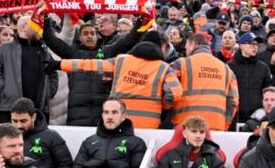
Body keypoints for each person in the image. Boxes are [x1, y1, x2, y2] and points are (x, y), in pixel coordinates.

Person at [54, 31, 183, 129]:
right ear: (162, 48)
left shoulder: (121, 60)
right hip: (149, 124)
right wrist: (164, 105)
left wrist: (60, 64)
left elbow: (90, 64)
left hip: (118, 120)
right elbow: (175, 93)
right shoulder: (164, 68)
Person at [42, 17, 143, 126]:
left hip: (104, 113)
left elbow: (129, 41)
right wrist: (46, 19)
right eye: (85, 34)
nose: (89, 36)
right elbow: (51, 40)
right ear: (80, 38)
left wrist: (141, 22)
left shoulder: (107, 52)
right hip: (77, 113)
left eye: (92, 33)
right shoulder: (72, 54)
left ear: (97, 36)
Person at [0, 16, 59, 123]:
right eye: (37, 24)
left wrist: (48, 91)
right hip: (10, 109)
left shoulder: (44, 50)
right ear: (25, 27)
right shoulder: (3, 49)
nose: (40, 28)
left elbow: (53, 72)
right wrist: (5, 90)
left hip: (39, 111)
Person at [167, 32, 239, 131]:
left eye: (186, 47)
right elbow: (233, 101)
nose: (186, 50)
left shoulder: (181, 63)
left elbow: (167, 87)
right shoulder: (226, 69)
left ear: (193, 44)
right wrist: (224, 124)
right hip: (216, 126)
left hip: (186, 126)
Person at [10, 98, 73, 168]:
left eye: (23, 121)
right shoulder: (4, 136)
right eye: (15, 121)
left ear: (34, 117)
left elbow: (67, 166)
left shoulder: (51, 136)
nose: (18, 125)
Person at [228, 32, 272, 123]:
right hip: (234, 115)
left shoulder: (263, 67)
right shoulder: (229, 66)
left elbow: (267, 90)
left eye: (256, 44)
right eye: (251, 44)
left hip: (257, 116)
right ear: (241, 46)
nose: (255, 47)